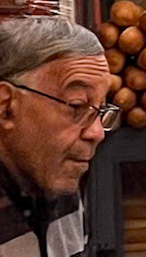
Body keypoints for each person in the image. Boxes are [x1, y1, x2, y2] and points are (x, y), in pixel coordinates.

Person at [0, 18, 114, 256]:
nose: (97, 133)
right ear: (5, 106)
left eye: (100, 110)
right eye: (76, 106)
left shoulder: (57, 185)